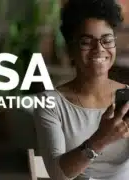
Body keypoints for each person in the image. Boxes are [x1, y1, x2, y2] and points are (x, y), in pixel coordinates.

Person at [34, 0, 129, 180]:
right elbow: (57, 175)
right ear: (70, 48)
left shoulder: (127, 98)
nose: (99, 49)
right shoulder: (50, 104)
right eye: (87, 42)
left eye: (107, 40)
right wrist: (101, 139)